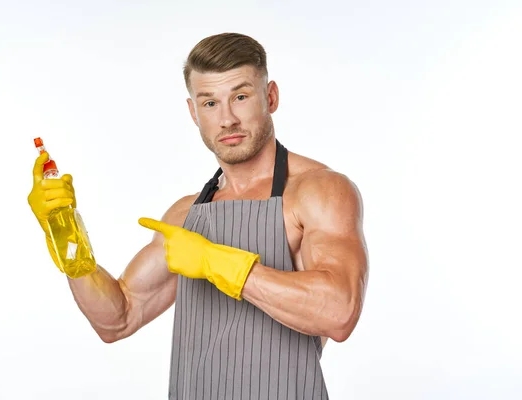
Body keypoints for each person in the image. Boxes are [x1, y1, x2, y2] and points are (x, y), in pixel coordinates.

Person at [28, 32, 369, 400]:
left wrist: (215, 262)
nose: (226, 119)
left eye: (240, 97)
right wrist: (67, 239)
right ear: (193, 112)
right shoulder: (186, 213)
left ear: (270, 97)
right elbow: (118, 318)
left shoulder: (316, 191)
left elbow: (339, 311)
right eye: (209, 103)